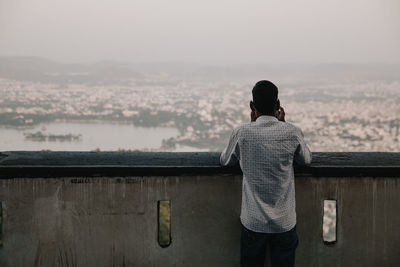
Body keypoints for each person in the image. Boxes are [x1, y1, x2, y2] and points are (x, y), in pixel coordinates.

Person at [220, 80, 312, 267]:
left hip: (254, 221)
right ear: (278, 105)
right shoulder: (292, 132)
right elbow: (306, 160)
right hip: (284, 222)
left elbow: (225, 160)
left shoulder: (242, 132)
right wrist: (283, 124)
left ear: (252, 106)